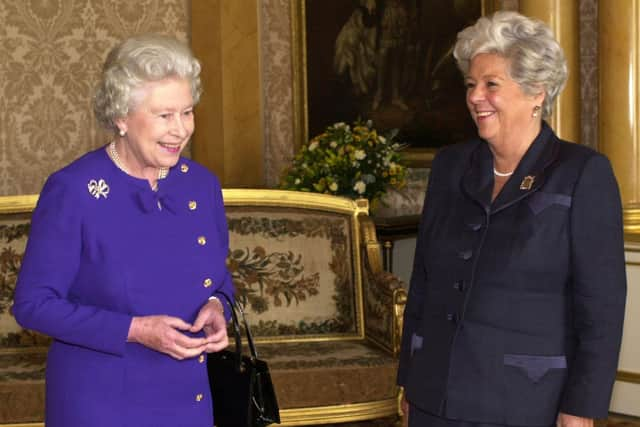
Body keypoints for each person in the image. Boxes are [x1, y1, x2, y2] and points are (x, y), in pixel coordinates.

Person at [397, 11, 626, 427]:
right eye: (470, 84)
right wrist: (410, 379)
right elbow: (424, 282)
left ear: (536, 91)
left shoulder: (582, 173)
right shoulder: (450, 166)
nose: (474, 96)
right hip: (436, 395)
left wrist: (581, 407)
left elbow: (601, 309)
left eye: (491, 85)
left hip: (525, 401)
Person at [13, 34, 234, 427]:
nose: (181, 129)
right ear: (121, 116)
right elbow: (33, 305)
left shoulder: (202, 185)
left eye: (187, 112)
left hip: (189, 398)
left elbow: (217, 276)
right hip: (102, 401)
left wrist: (219, 306)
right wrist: (135, 330)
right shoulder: (73, 190)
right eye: (164, 115)